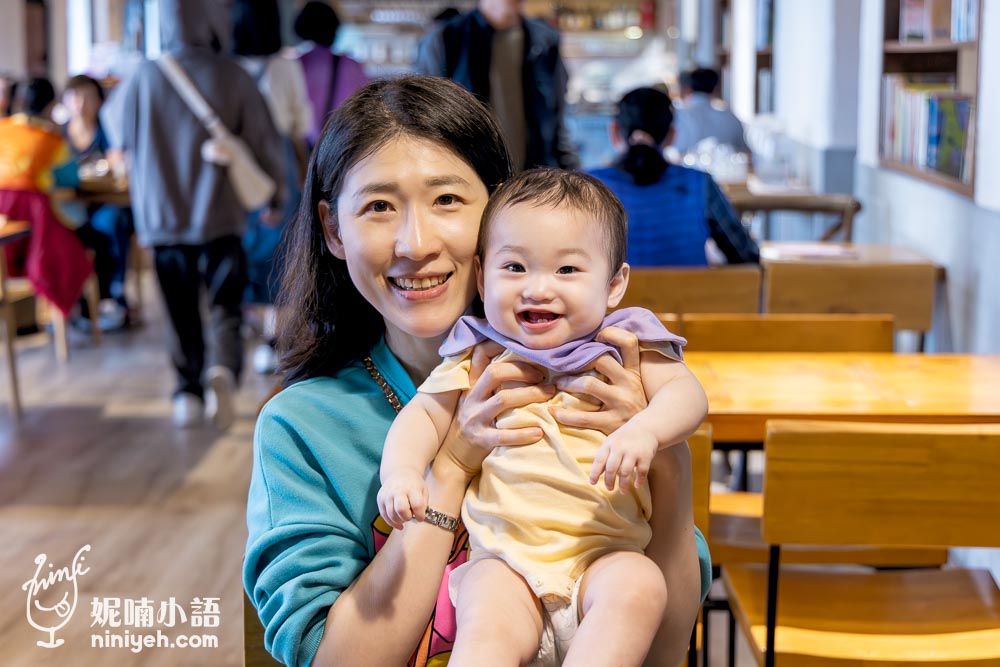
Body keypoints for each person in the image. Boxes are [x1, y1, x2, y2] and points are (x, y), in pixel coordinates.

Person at [244, 75, 710, 667]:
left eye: (447, 200)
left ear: (498, 210)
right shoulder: (302, 427)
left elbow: (663, 649)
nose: (416, 243)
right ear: (334, 229)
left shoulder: (619, 379)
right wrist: (454, 461)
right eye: (379, 206)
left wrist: (664, 452)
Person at [378, 168, 709, 665]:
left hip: (606, 560)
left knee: (640, 584)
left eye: (567, 271)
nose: (537, 289)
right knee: (485, 622)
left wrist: (646, 428)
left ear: (614, 284)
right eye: (514, 268)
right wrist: (402, 473)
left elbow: (688, 397)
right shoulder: (480, 353)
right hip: (506, 565)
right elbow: (423, 417)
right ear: (483, 272)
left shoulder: (627, 343)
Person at [101, 0, 284, 429]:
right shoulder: (233, 75)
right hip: (221, 213)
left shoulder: (143, 76)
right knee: (224, 301)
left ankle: (187, 391)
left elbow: (114, 132)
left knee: (179, 305)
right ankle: (224, 366)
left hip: (161, 217)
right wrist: (273, 195)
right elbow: (264, 141)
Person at [589, 86, 759, 266]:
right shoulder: (699, 184)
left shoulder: (586, 187)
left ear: (613, 132)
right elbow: (746, 255)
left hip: (613, 295)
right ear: (672, 136)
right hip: (689, 294)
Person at [232, 0, 313, 374]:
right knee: (280, 247)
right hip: (278, 160)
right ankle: (273, 338)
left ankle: (246, 331)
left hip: (237, 163)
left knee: (245, 247)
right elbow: (301, 121)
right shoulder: (285, 65)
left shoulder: (226, 68)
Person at [415, 0, 579, 172]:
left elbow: (558, 116)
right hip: (469, 174)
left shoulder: (546, 41)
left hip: (534, 178)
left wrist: (570, 168)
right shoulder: (446, 38)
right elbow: (426, 120)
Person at [0, 77, 93, 318]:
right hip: (38, 236)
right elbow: (72, 179)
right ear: (51, 105)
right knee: (85, 238)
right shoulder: (51, 140)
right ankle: (82, 313)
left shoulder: (2, 130)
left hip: (5, 235)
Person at [61, 74, 134, 330]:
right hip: (70, 207)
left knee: (113, 222)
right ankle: (74, 302)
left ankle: (113, 293)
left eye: (87, 97)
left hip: (104, 203)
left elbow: (118, 163)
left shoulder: (107, 129)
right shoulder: (59, 135)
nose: (80, 103)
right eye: (75, 96)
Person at [293, 0, 368, 148]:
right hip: (341, 144)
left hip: (303, 147)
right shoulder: (350, 65)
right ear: (335, 28)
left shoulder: (297, 64)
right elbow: (367, 105)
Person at [671, 67, 750, 155]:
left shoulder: (678, 116)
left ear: (688, 88)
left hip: (683, 167)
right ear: (716, 89)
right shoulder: (731, 118)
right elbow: (744, 153)